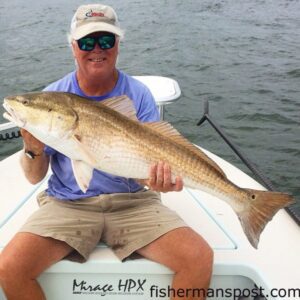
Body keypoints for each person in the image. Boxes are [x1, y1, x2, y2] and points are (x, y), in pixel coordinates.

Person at [0, 4, 213, 300]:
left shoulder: (138, 94)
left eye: (106, 40)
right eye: (87, 42)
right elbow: (35, 177)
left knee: (199, 258)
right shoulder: (54, 95)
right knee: (9, 267)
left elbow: (145, 173)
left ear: (118, 45)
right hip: (69, 204)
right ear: (73, 46)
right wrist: (32, 148)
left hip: (133, 203)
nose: (96, 49)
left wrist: (158, 180)